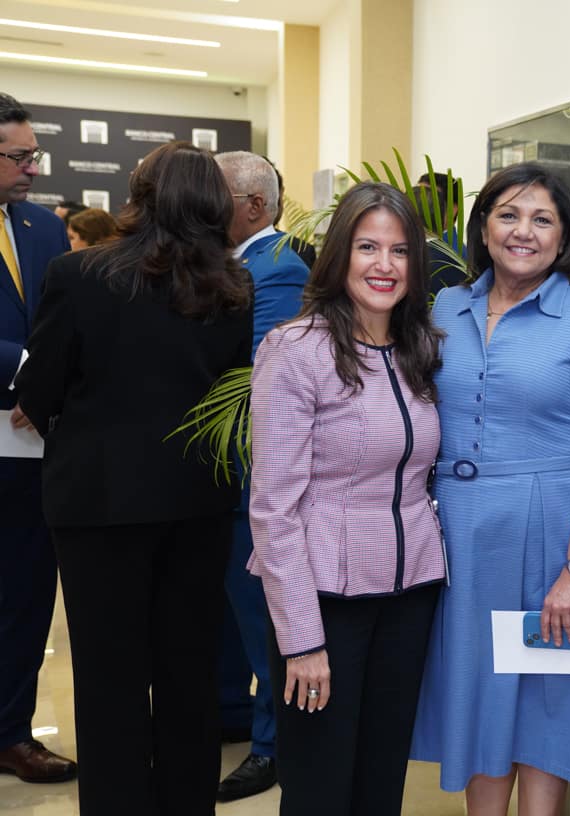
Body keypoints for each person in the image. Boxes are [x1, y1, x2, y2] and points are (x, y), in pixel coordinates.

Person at [15, 140, 253, 814]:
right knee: (188, 670)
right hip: (198, 502)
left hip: (98, 505)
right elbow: (236, 393)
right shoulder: (233, 286)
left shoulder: (79, 272)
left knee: (108, 677)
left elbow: (41, 386)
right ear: (213, 202)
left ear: (137, 197)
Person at [412, 162, 570, 815]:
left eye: (542, 219)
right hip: (462, 538)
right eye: (508, 214)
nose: (523, 232)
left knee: (546, 700)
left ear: (564, 236)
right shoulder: (446, 305)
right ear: (483, 224)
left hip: (554, 534)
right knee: (478, 698)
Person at [248, 181, 447, 815]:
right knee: (319, 786)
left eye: (399, 251)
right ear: (340, 256)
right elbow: (273, 509)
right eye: (367, 247)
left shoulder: (420, 349)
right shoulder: (295, 349)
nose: (384, 266)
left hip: (409, 593)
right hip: (324, 597)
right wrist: (302, 640)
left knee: (381, 778)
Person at [211, 149, 310, 802]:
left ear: (251, 206)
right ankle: (237, 717)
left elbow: (252, 378)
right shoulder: (239, 264)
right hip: (225, 476)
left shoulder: (277, 269)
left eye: (212, 194)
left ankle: (273, 746)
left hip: (256, 475)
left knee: (261, 617)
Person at [0, 91, 76, 785]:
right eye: (20, 156)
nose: (32, 169)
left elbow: (58, 320)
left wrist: (44, 379)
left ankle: (12, 732)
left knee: (25, 591)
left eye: (34, 155)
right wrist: (24, 370)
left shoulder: (45, 229)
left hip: (30, 447)